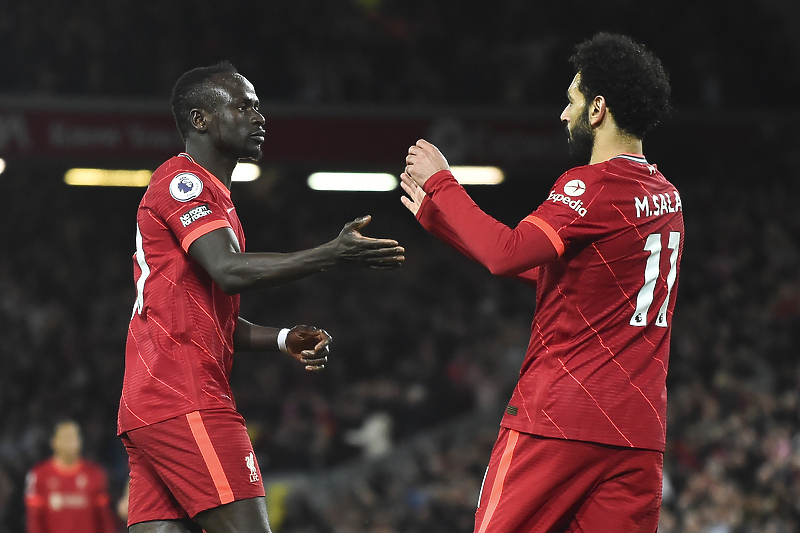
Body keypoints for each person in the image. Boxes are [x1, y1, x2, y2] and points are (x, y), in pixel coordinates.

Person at [400, 33, 680, 533]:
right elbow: (560, 275)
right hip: (638, 433)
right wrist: (440, 221)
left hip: (560, 419)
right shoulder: (667, 196)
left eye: (571, 99)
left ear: (597, 109)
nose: (562, 114)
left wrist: (444, 183)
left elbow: (507, 255)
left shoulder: (590, 185)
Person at [118, 61, 405, 533]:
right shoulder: (181, 182)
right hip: (186, 397)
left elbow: (210, 315)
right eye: (243, 106)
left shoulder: (217, 200)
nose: (258, 117)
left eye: (258, 107)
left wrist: (282, 338)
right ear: (200, 119)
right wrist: (331, 253)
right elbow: (229, 272)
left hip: (152, 404)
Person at [25, 421, 117, 533]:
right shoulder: (39, 475)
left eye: (74, 437)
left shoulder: (95, 474)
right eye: (65, 438)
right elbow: (34, 520)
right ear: (54, 442)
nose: (70, 442)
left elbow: (104, 518)